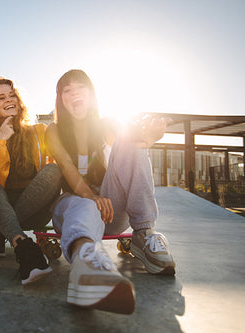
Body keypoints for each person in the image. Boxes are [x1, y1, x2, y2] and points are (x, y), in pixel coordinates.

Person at [46, 69, 175, 314]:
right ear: (60, 98)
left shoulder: (107, 124)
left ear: (92, 94)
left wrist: (147, 138)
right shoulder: (53, 130)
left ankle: (144, 233)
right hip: (73, 207)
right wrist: (90, 196)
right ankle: (86, 264)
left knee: (132, 143)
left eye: (80, 88)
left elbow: (130, 150)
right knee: (83, 204)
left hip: (110, 209)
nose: (74, 94)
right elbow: (66, 166)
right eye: (67, 90)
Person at [0, 78, 63, 285]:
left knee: (53, 169)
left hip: (34, 209)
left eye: (12, 95)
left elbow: (60, 163)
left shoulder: (39, 131)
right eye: (1, 97)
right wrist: (0, 141)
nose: (9, 100)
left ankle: (0, 231)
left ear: (19, 100)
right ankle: (23, 245)